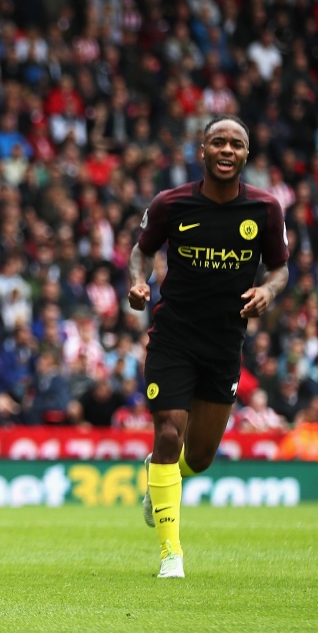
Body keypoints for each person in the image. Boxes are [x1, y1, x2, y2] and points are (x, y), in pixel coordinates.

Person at [128, 115, 289, 579]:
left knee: (197, 457)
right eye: (217, 142)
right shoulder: (170, 203)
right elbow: (143, 249)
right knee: (167, 434)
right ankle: (170, 555)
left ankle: (160, 483)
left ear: (245, 155)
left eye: (235, 144)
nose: (226, 150)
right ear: (202, 151)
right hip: (173, 335)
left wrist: (268, 292)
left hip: (224, 343)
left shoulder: (265, 209)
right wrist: (139, 282)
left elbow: (280, 268)